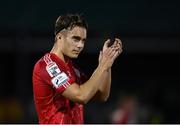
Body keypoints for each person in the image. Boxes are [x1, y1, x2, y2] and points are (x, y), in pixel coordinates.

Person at [32, 13, 122, 124]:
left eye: (83, 41)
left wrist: (107, 65)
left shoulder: (73, 69)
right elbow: (81, 96)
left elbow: (101, 95)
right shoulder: (47, 65)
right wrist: (102, 66)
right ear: (59, 37)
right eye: (76, 39)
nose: (80, 45)